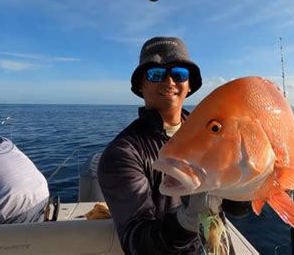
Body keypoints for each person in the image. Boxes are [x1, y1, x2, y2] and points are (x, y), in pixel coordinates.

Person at [98, 37, 250, 254]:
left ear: (189, 85)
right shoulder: (123, 154)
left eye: (179, 74)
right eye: (155, 74)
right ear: (141, 84)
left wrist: (254, 186)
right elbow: (137, 242)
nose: (169, 81)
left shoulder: (217, 132)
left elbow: (236, 208)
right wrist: (187, 221)